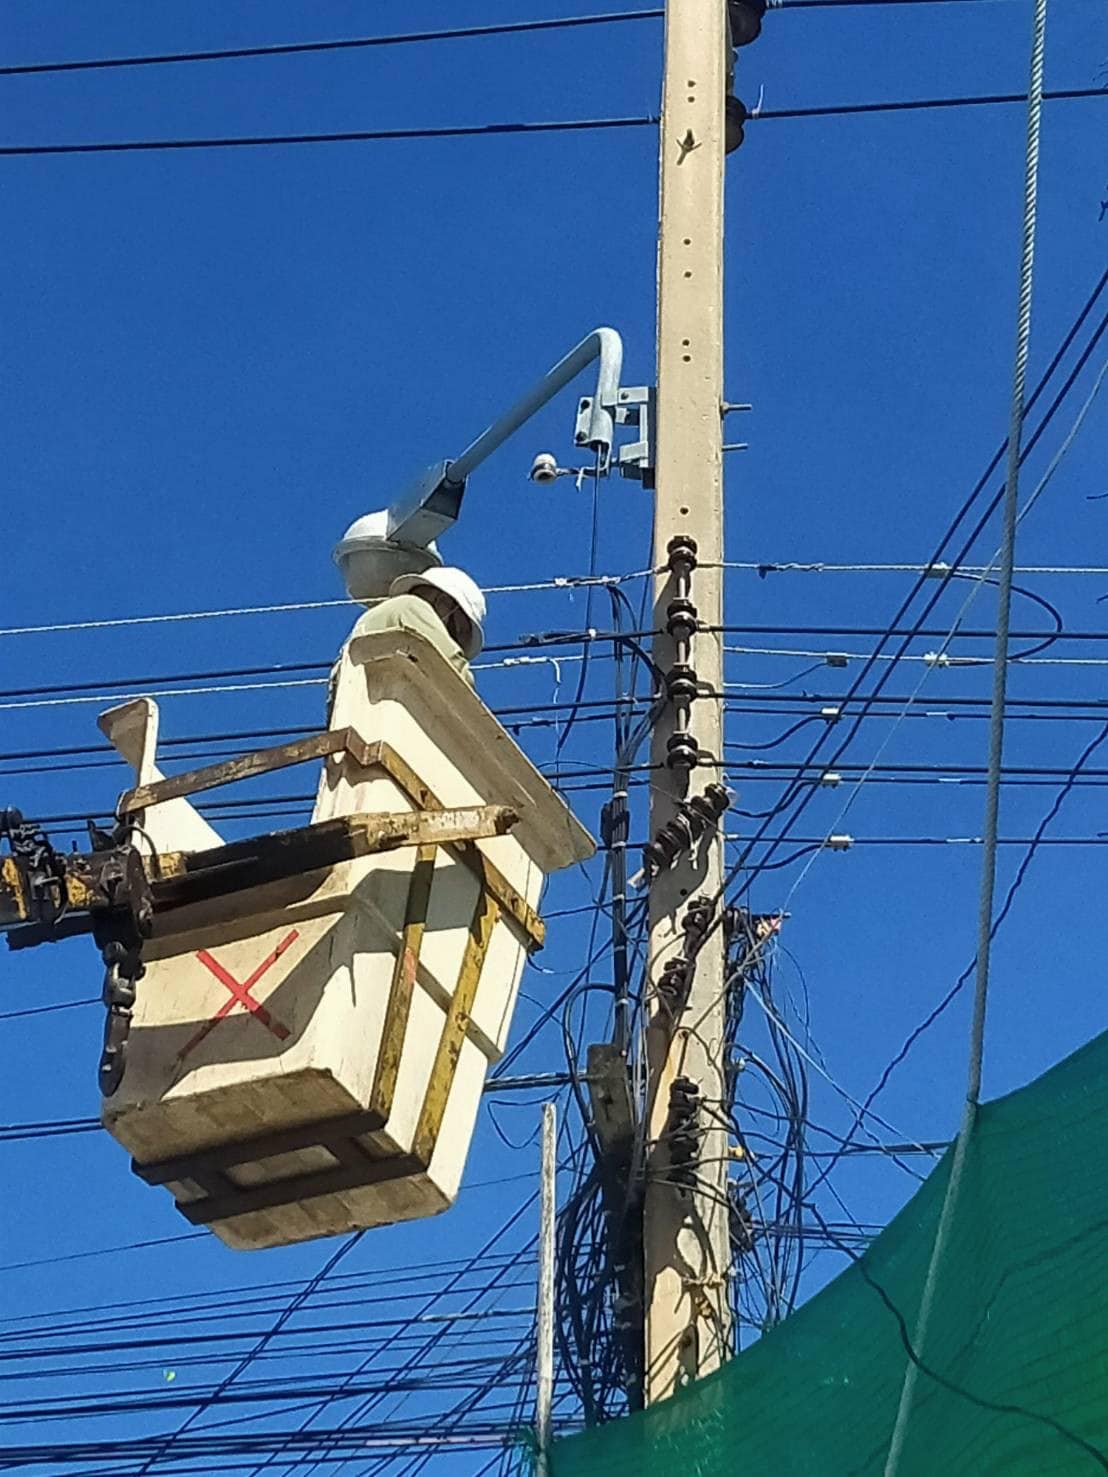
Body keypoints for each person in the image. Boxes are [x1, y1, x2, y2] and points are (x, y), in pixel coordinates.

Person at [345, 566, 486, 689]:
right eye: (455, 631)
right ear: (445, 602)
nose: (453, 640)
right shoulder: (412, 606)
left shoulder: (381, 617)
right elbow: (455, 671)